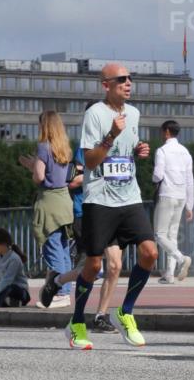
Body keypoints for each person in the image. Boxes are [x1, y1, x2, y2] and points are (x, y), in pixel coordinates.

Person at [41, 63, 158, 350]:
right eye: (121, 79)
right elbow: (91, 161)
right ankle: (77, 323)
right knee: (93, 266)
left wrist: (138, 150)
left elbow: (125, 153)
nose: (128, 83)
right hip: (99, 200)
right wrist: (111, 136)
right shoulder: (95, 114)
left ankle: (125, 312)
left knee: (150, 252)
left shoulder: (134, 113)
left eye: (130, 78)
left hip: (129, 197)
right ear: (106, 85)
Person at [39, 145, 119, 333]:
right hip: (86, 214)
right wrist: (101, 173)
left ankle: (100, 316)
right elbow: (72, 181)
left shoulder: (118, 147)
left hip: (113, 210)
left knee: (115, 266)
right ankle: (58, 282)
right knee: (93, 268)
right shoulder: (84, 149)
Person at [20, 111, 74, 308]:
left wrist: (31, 166)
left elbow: (40, 177)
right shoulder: (64, 148)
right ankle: (66, 291)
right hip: (64, 201)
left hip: (49, 202)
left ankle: (58, 293)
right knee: (64, 249)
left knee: (52, 248)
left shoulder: (43, 147)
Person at [152, 119, 194, 284]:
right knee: (172, 235)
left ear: (167, 132)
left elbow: (158, 175)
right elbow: (190, 179)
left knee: (159, 234)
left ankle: (181, 258)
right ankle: (169, 273)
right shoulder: (185, 152)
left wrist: (152, 178)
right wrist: (190, 205)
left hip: (167, 194)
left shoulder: (162, 151)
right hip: (181, 196)